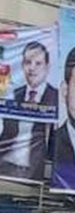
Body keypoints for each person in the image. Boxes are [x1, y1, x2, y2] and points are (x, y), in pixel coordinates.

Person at [1, 40, 57, 176]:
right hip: (3, 166)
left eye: (38, 63)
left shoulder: (56, 98)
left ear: (47, 67)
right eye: (28, 62)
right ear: (22, 65)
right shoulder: (13, 94)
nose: (32, 68)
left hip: (34, 172)